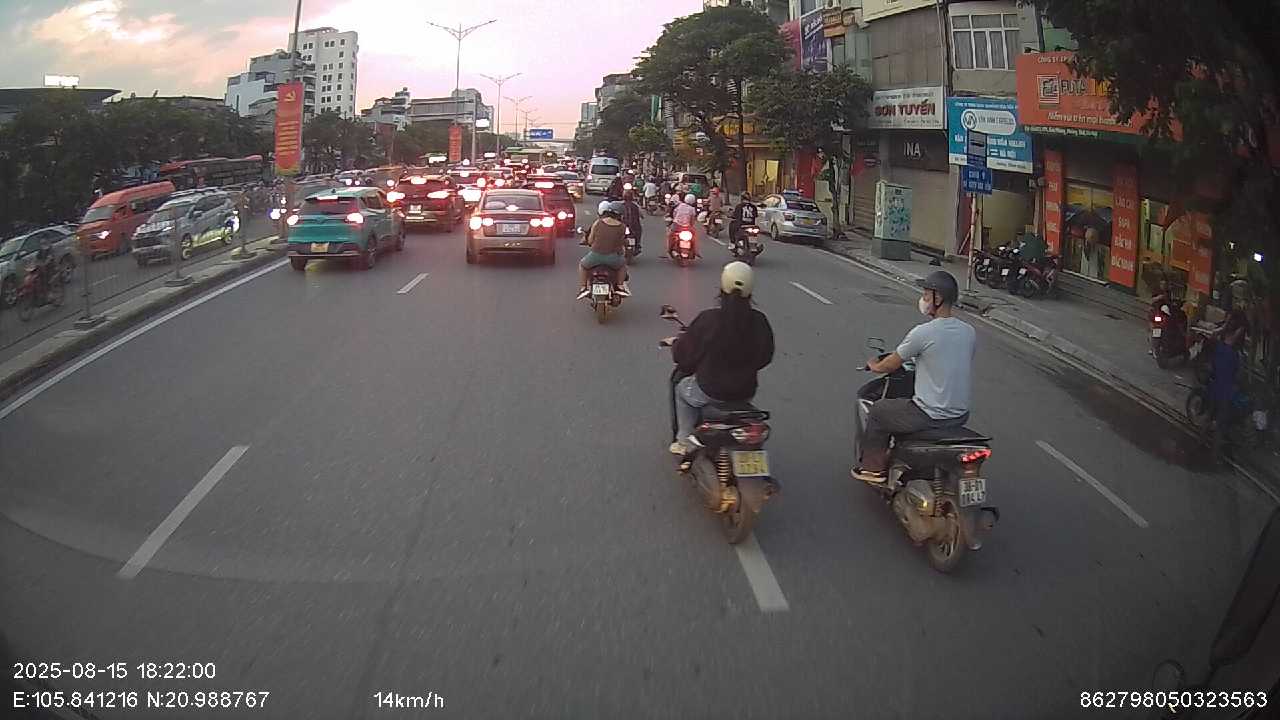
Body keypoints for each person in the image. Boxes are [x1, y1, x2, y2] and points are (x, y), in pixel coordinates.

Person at [851, 271, 976, 483]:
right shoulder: (969, 332)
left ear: (938, 298)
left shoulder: (924, 332)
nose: (923, 300)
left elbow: (890, 364)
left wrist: (874, 365)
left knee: (879, 411)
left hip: (929, 414)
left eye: (926, 295)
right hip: (960, 415)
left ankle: (873, 469)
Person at [667, 262, 775, 455]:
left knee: (680, 388)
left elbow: (683, 357)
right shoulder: (760, 321)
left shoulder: (709, 320)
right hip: (745, 392)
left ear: (722, 287)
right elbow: (765, 357)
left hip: (709, 391)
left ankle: (683, 440)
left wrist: (677, 347)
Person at [578, 201, 630, 299]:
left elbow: (590, 240)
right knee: (622, 266)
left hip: (595, 256)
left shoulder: (598, 222)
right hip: (613, 258)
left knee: (582, 265)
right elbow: (621, 242)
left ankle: (583, 288)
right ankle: (620, 286)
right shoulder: (622, 227)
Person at [668, 193, 699, 257]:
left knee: (671, 236)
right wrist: (691, 226)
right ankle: (695, 251)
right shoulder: (692, 209)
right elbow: (692, 220)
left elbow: (674, 213)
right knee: (694, 236)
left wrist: (674, 219)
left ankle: (669, 249)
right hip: (687, 227)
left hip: (677, 225)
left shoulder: (680, 205)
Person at [620, 190, 643, 255]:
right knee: (638, 233)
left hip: (624, 225)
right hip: (634, 226)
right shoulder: (636, 206)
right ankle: (637, 245)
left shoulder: (621, 205)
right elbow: (641, 215)